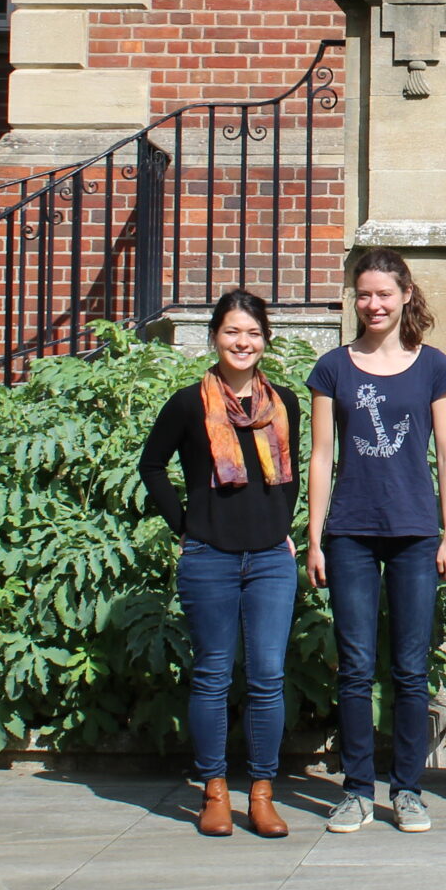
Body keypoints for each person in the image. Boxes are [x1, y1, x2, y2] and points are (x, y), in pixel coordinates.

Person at [307, 248, 446, 835]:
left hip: (415, 532)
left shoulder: (433, 367)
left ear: (405, 295)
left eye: (384, 294)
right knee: (354, 667)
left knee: (410, 669)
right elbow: (321, 456)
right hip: (350, 531)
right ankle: (355, 790)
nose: (374, 305)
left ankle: (408, 790)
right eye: (365, 294)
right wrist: (315, 538)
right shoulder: (333, 367)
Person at [139, 290, 305, 840]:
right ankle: (213, 791)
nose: (243, 342)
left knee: (267, 677)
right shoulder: (189, 404)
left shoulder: (284, 404)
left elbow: (290, 473)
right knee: (212, 674)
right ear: (215, 337)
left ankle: (261, 793)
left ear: (266, 341)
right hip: (209, 555)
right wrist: (184, 526)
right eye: (233, 331)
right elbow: (152, 466)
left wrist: (281, 527)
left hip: (270, 559)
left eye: (253, 333)